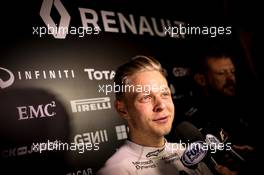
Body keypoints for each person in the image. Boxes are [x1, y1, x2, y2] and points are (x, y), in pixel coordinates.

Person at [97, 55, 214, 175]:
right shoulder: (116, 171)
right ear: (123, 110)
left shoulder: (188, 153)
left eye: (164, 94)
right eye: (146, 97)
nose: (161, 105)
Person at [178, 46, 258, 174]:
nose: (231, 79)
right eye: (221, 73)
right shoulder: (191, 119)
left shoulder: (249, 104)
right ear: (201, 79)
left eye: (232, 71)